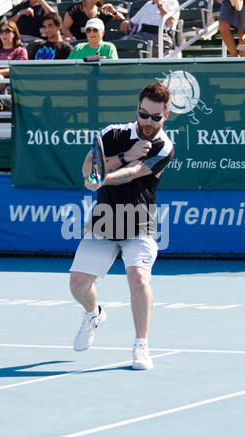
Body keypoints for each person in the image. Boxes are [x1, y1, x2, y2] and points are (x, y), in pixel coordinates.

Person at [70, 82, 174, 370]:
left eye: (156, 117)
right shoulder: (111, 133)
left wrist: (104, 177)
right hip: (104, 221)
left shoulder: (164, 147)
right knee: (77, 284)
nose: (149, 122)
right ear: (137, 110)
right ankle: (93, 313)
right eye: (144, 114)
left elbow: (132, 174)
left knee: (138, 278)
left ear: (166, 116)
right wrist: (125, 155)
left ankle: (141, 345)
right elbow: (88, 166)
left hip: (139, 222)